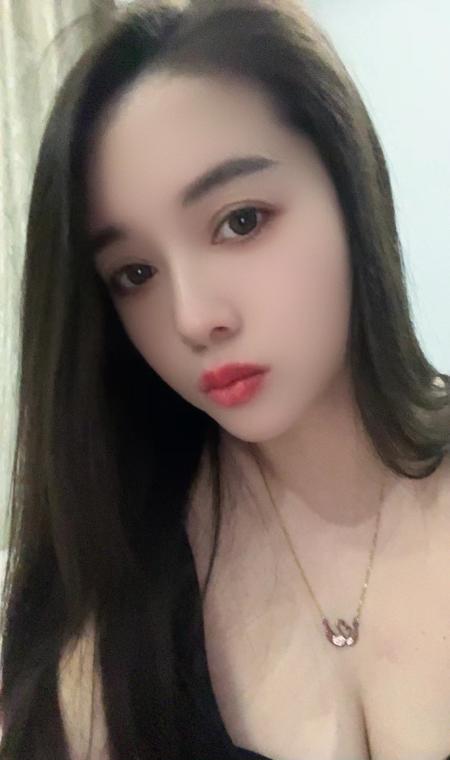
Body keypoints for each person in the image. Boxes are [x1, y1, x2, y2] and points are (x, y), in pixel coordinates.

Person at [1, 0, 449, 757]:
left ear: (349, 187)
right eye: (134, 273)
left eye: (240, 221)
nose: (192, 317)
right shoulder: (114, 599)